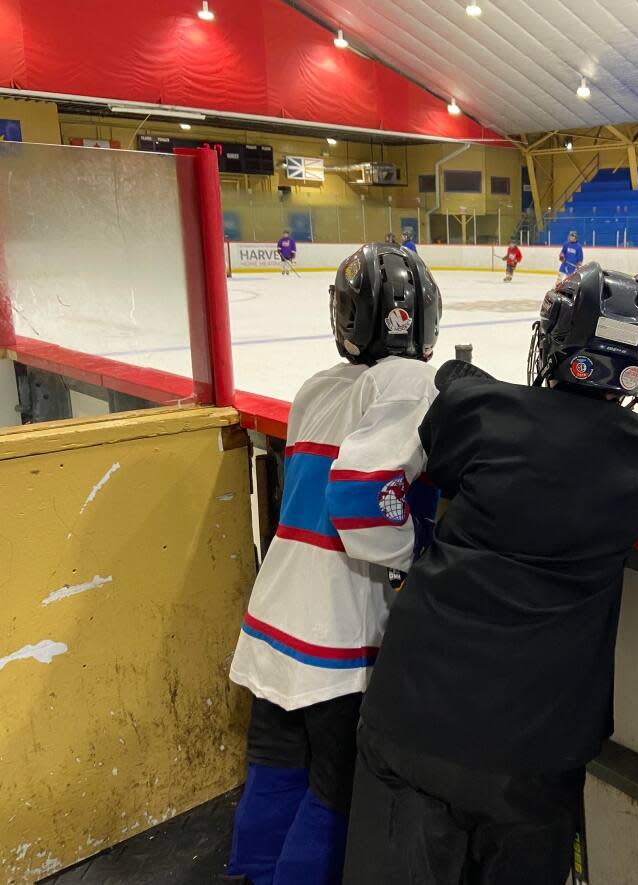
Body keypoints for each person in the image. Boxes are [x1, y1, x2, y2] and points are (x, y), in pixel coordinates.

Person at [343, 262, 638, 885]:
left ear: (550, 339)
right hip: (533, 752)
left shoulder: (480, 408)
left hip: (411, 711)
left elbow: (451, 416)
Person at [225, 243, 444, 885]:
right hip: (336, 637)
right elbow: (358, 500)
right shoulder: (411, 382)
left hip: (274, 618)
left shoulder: (314, 387)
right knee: (333, 795)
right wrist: (412, 557)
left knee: (274, 770)